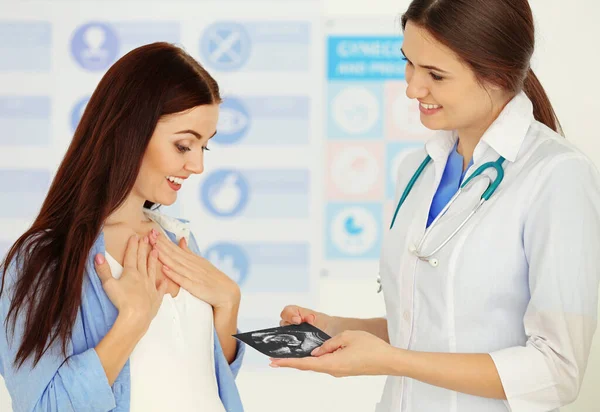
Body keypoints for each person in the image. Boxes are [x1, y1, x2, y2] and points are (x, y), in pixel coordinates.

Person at [271, 1, 600, 411]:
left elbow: (557, 372)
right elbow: (437, 329)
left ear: (496, 73)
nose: (412, 88)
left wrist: (394, 361)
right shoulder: (418, 170)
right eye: (409, 63)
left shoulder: (556, 175)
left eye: (436, 75)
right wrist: (337, 327)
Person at [0, 42, 245, 412]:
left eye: (204, 148)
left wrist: (228, 304)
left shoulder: (178, 238)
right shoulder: (43, 259)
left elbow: (198, 378)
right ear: (131, 130)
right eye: (183, 146)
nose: (197, 166)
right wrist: (131, 321)